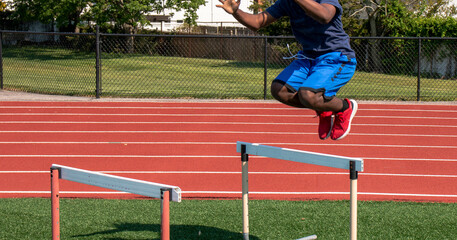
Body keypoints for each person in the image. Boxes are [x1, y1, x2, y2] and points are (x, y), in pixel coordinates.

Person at [217, 0, 358, 140]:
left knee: (308, 95)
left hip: (336, 57)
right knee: (279, 90)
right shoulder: (286, 3)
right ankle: (323, 107)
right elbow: (257, 22)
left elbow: (325, 15)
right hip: (308, 58)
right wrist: (236, 12)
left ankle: (344, 107)